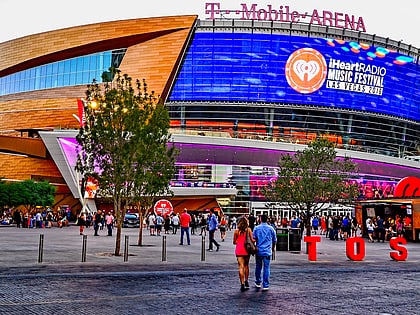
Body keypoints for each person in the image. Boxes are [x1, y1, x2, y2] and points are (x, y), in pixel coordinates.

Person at [253, 214, 276, 291]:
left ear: (260, 219)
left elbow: (254, 239)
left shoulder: (256, 228)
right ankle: (266, 284)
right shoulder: (271, 228)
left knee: (258, 267)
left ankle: (258, 282)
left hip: (259, 250)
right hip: (267, 251)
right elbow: (274, 240)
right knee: (266, 268)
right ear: (267, 220)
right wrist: (272, 248)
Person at [233, 217, 255, 292]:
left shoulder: (236, 231)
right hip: (246, 249)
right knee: (246, 265)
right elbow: (252, 240)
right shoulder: (248, 230)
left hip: (239, 249)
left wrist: (239, 242)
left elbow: (234, 242)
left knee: (241, 266)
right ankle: (246, 281)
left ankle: (242, 283)